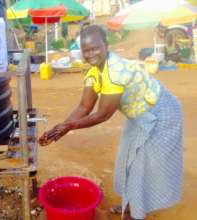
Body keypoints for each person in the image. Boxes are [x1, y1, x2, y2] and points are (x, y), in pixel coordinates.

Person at [38, 24, 183, 220]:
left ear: (107, 46)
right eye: (86, 50)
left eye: (95, 48)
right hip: (139, 115)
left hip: (160, 113)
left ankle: (134, 214)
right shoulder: (95, 71)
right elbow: (84, 107)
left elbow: (103, 114)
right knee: (127, 159)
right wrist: (60, 129)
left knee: (142, 165)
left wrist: (69, 126)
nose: (91, 53)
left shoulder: (115, 71)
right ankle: (129, 206)